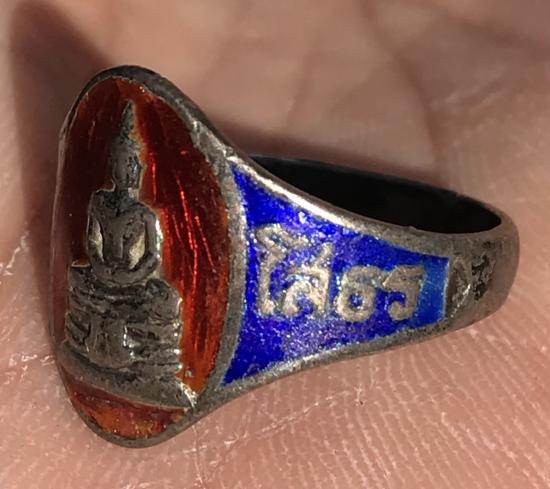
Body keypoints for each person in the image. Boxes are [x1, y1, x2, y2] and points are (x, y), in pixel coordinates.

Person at [1, 1, 547, 488]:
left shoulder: (144, 214)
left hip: (136, 290)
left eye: (131, 165)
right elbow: (95, 249)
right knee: (85, 281)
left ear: (137, 167)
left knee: (164, 300)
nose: (125, 172)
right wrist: (109, 274)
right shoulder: (103, 203)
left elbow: (149, 263)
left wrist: (130, 278)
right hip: (104, 285)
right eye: (121, 164)